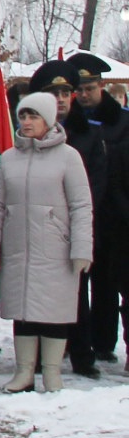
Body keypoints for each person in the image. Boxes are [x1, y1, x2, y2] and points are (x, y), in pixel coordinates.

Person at [0, 91, 93, 394]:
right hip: (19, 248)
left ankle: (52, 373)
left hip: (56, 250)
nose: (27, 122)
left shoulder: (68, 157)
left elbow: (81, 205)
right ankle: (24, 371)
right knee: (24, 311)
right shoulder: (9, 158)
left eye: (34, 116)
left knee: (54, 312)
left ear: (49, 119)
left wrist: (82, 248)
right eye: (23, 116)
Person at [29, 58, 104, 380]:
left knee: (77, 292)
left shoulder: (89, 135)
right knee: (38, 295)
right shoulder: (29, 133)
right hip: (37, 227)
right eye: (52, 92)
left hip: (74, 227)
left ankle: (81, 353)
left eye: (65, 92)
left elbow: (96, 186)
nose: (60, 99)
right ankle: (35, 356)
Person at [71, 53, 129, 365]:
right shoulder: (70, 122)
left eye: (89, 88)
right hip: (81, 213)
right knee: (77, 282)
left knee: (108, 281)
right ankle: (77, 339)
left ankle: (104, 341)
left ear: (101, 86)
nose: (83, 95)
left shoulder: (121, 120)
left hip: (114, 216)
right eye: (79, 89)